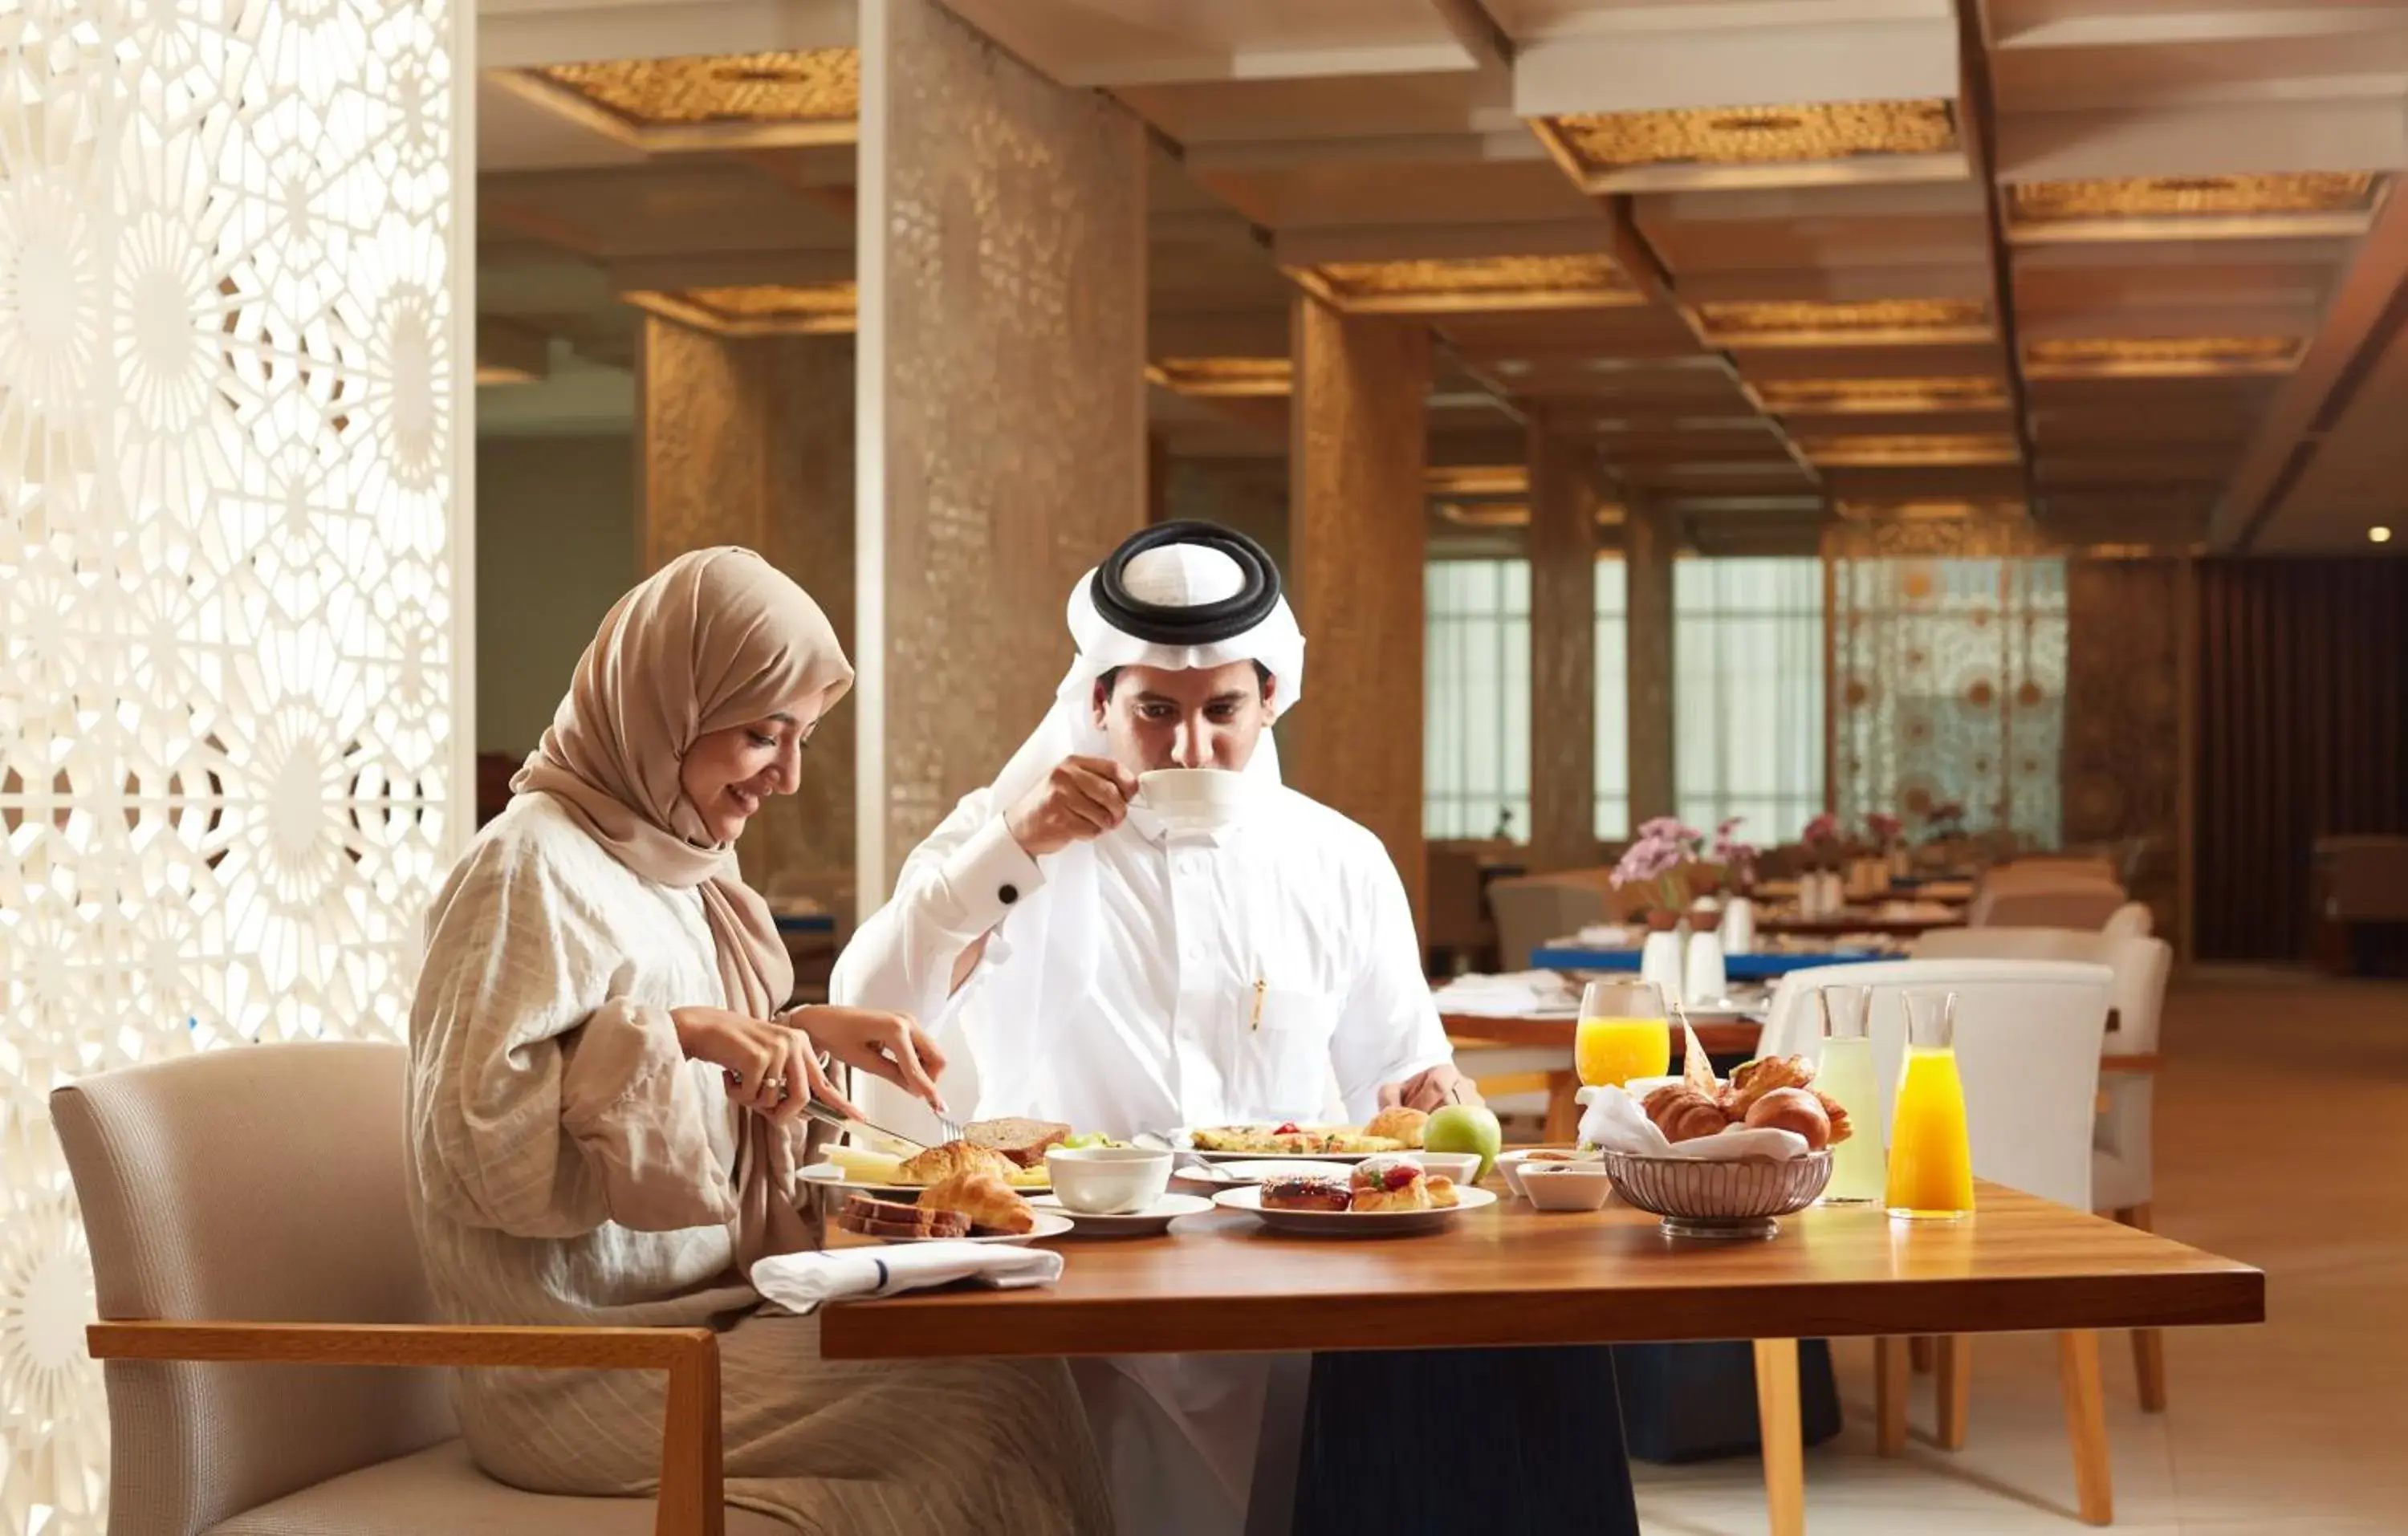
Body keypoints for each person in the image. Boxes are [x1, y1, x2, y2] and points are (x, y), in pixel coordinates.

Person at [405, 547, 1109, 1534]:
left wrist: (799, 1037)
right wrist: (680, 1036)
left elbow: (647, 1067)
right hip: (579, 1366)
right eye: (759, 737)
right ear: (666, 708)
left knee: (993, 1366)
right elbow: (474, 1150)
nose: (786, 777)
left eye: (804, 739)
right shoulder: (527, 865)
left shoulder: (676, 865)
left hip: (711, 1319)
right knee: (984, 1389)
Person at [832, 520, 1476, 1536]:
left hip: (1290, 1287)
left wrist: (1432, 1092)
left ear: (1273, 699)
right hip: (1075, 1297)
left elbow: (1397, 1079)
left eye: (1222, 710)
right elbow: (873, 1002)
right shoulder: (1009, 831)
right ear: (1097, 702)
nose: (1189, 747)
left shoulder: (1342, 860)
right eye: (1154, 712)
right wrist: (1018, 847)